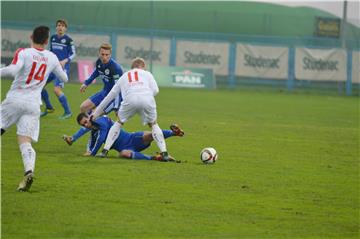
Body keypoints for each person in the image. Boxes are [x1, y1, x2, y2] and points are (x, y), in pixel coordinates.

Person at [0, 25, 68, 192]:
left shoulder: (23, 53)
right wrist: (58, 65)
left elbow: (13, 70)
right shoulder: (52, 57)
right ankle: (29, 171)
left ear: (31, 37)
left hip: (15, 100)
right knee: (25, 141)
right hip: (33, 105)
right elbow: (64, 77)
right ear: (46, 41)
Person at [91, 57, 171, 160]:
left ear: (132, 67)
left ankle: (104, 151)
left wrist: (96, 114)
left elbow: (109, 96)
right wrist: (145, 94)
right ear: (143, 66)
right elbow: (156, 90)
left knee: (118, 123)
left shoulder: (124, 76)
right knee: (154, 124)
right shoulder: (147, 74)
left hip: (130, 99)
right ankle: (164, 153)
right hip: (147, 98)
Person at [64, 43, 123, 145]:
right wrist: (86, 83)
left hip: (112, 98)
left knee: (92, 117)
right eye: (102, 54)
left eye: (107, 55)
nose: (104, 57)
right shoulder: (99, 62)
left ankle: (74, 138)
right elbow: (96, 72)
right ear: (99, 53)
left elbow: (119, 89)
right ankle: (95, 126)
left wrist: (117, 107)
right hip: (104, 92)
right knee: (83, 107)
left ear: (110, 54)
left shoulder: (116, 68)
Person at [76, 113, 184, 161]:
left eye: (85, 122)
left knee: (149, 135)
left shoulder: (101, 121)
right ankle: (156, 157)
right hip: (125, 148)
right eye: (83, 125)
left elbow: (101, 139)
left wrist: (93, 153)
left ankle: (174, 133)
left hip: (131, 138)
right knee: (123, 154)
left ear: (89, 118)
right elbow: (92, 145)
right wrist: (89, 152)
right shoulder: (94, 132)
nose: (86, 125)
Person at [40, 19, 76, 119]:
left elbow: (73, 54)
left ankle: (68, 112)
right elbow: (51, 51)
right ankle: (49, 107)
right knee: (40, 85)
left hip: (62, 68)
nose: (60, 27)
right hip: (52, 66)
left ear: (65, 28)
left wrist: (65, 61)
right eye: (59, 25)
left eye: (62, 26)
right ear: (56, 27)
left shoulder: (68, 40)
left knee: (56, 90)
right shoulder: (53, 38)